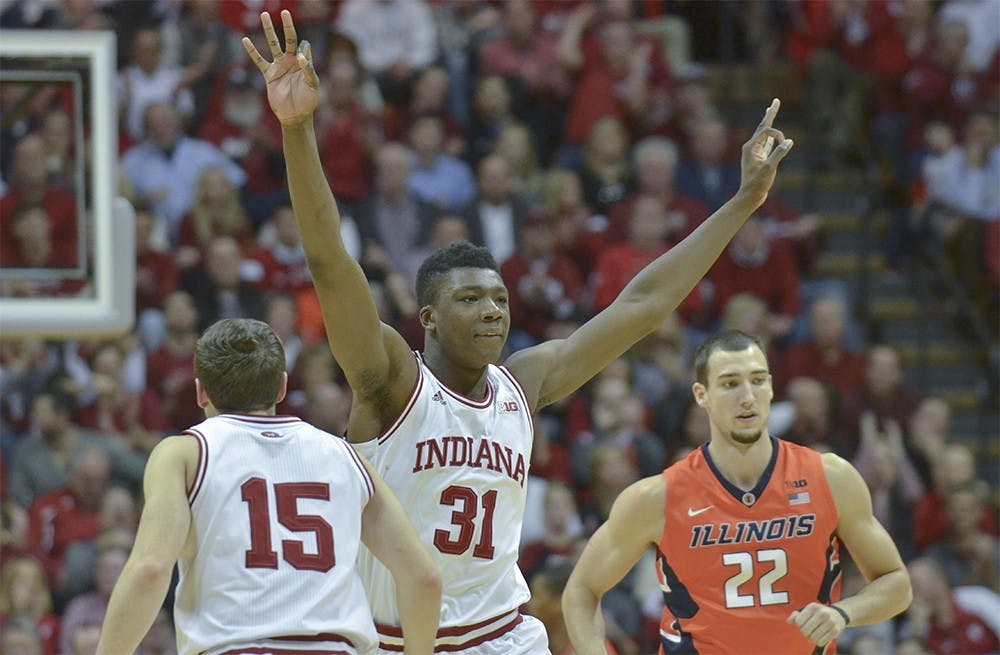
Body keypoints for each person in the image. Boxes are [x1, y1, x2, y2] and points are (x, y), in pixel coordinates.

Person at [242, 10, 792, 653]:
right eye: (470, 299)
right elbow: (330, 261)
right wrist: (299, 129)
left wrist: (741, 203)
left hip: (503, 634)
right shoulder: (390, 381)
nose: (493, 311)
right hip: (394, 639)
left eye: (499, 299)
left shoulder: (522, 384)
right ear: (428, 319)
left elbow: (644, 304)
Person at [95, 318, 441, 655]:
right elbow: (424, 577)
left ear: (201, 391)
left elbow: (151, 570)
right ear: (282, 387)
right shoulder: (344, 455)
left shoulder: (184, 453)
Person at [561, 330, 913, 655]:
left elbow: (896, 583)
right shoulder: (659, 496)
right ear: (702, 395)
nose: (747, 397)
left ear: (772, 388)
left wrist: (843, 612)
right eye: (730, 384)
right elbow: (581, 591)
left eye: (757, 381)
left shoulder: (830, 477)